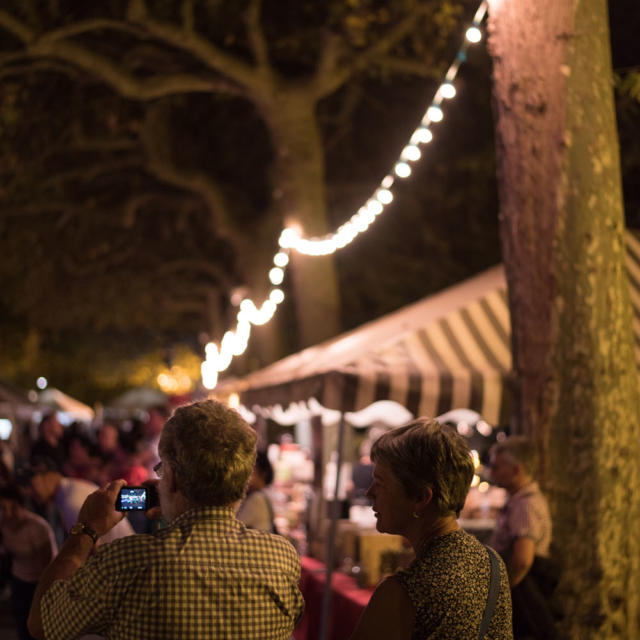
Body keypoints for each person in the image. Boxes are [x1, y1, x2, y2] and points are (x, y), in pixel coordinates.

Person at [27, 399, 304, 640]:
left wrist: (84, 531)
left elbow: (41, 623)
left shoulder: (127, 562)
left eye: (162, 470)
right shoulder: (281, 558)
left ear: (169, 479)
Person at [350, 417, 512, 640]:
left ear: (420, 498)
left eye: (380, 483)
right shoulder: (492, 564)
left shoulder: (404, 593)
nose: (369, 492)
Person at [488, 436, 555, 638]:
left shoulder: (524, 505)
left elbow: (522, 560)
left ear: (516, 470)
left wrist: (499, 596)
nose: (492, 472)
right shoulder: (520, 501)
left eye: (497, 467)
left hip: (522, 594)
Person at [26, 456, 134, 547]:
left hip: (123, 558)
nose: (29, 492)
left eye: (31, 484)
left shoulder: (69, 502)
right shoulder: (68, 489)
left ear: (49, 476)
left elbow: (89, 549)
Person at [0, 484, 57, 640]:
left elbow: (49, 563)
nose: (8, 513)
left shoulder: (38, 527)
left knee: (40, 630)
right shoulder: (3, 524)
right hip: (19, 580)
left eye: (13, 508)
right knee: (22, 626)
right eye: (3, 508)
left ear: (22, 506)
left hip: (40, 583)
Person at [236, 450, 277, 532]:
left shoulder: (257, 499)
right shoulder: (264, 494)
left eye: (251, 470)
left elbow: (235, 526)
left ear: (263, 473)